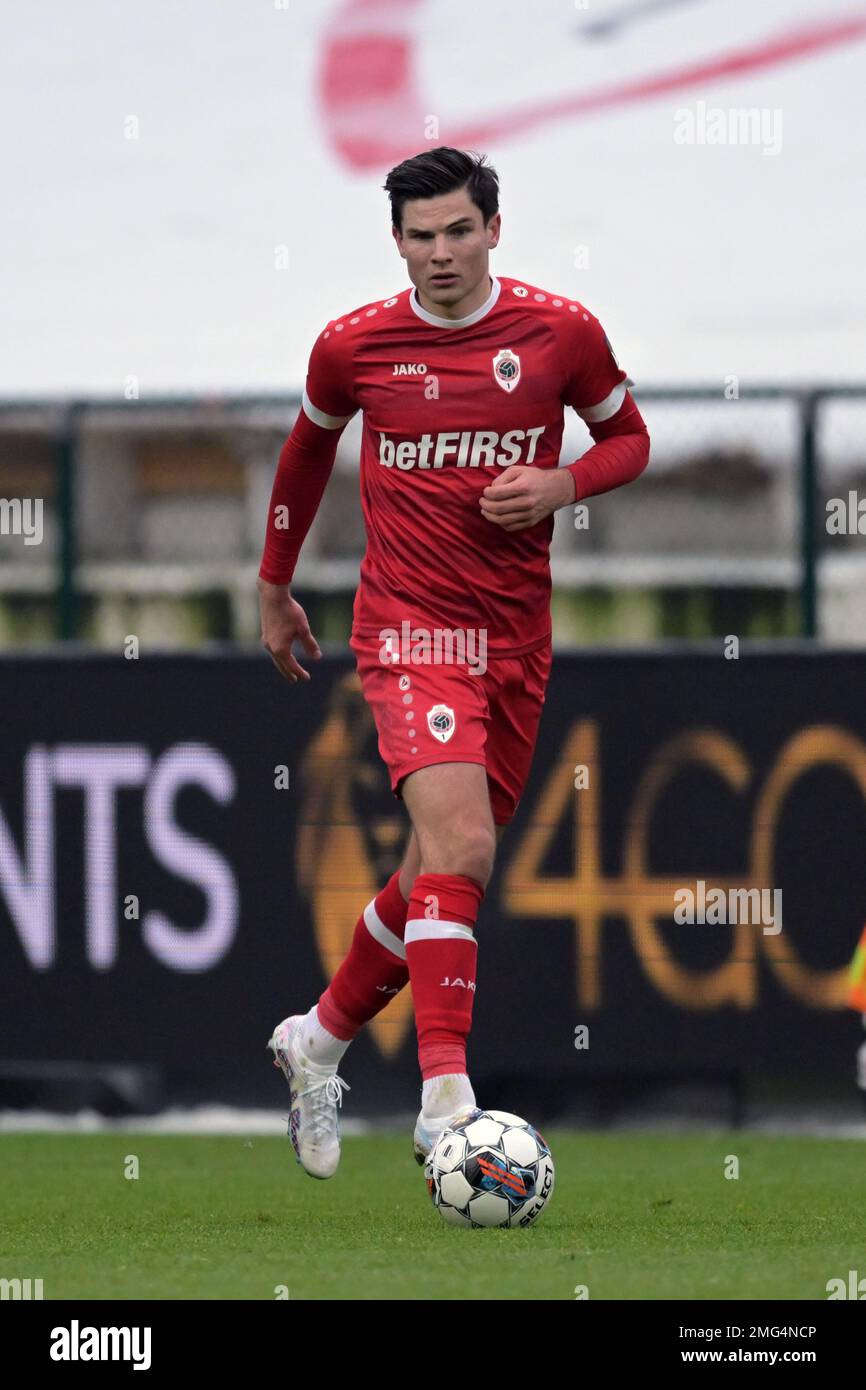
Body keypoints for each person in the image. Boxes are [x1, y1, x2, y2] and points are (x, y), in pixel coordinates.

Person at [257, 146, 650, 1178]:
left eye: (457, 231)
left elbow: (630, 440)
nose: (439, 252)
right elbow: (305, 450)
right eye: (419, 236)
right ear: (396, 241)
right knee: (463, 845)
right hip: (408, 630)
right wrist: (272, 582)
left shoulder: (560, 332)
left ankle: (318, 1039)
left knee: (434, 870)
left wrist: (559, 486)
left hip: (514, 640)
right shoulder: (353, 346)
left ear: (492, 229)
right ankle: (445, 1102)